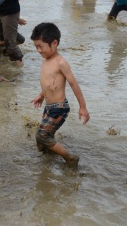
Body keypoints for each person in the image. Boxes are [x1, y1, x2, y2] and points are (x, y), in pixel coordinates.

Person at [30, 22, 90, 168]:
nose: (38, 50)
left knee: (42, 135)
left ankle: (69, 158)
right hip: (49, 107)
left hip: (59, 108)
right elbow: (48, 83)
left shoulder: (61, 62)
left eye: (41, 46)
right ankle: (47, 158)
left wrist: (83, 107)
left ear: (54, 43)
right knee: (42, 140)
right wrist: (41, 95)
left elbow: (73, 84)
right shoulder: (45, 59)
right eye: (36, 47)